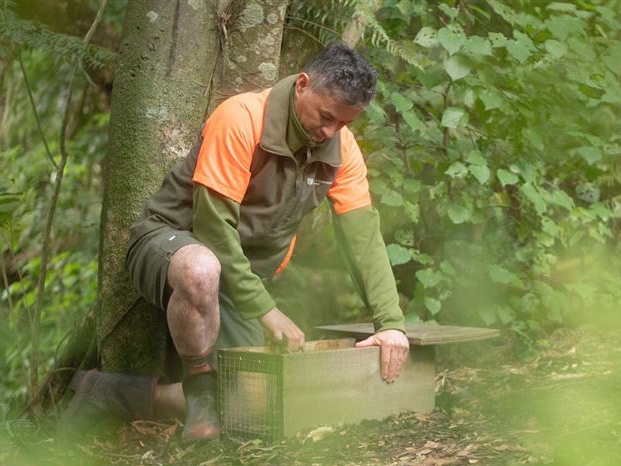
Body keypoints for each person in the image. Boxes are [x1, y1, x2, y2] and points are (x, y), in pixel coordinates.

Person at [61, 43, 409, 443]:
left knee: (254, 406)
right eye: (326, 115)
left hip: (240, 277)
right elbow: (213, 228)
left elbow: (363, 239)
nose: (330, 131)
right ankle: (202, 396)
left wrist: (391, 326)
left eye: (343, 124)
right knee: (201, 268)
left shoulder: (341, 150)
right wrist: (266, 310)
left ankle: (115, 392)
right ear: (302, 85)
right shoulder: (241, 118)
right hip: (170, 241)